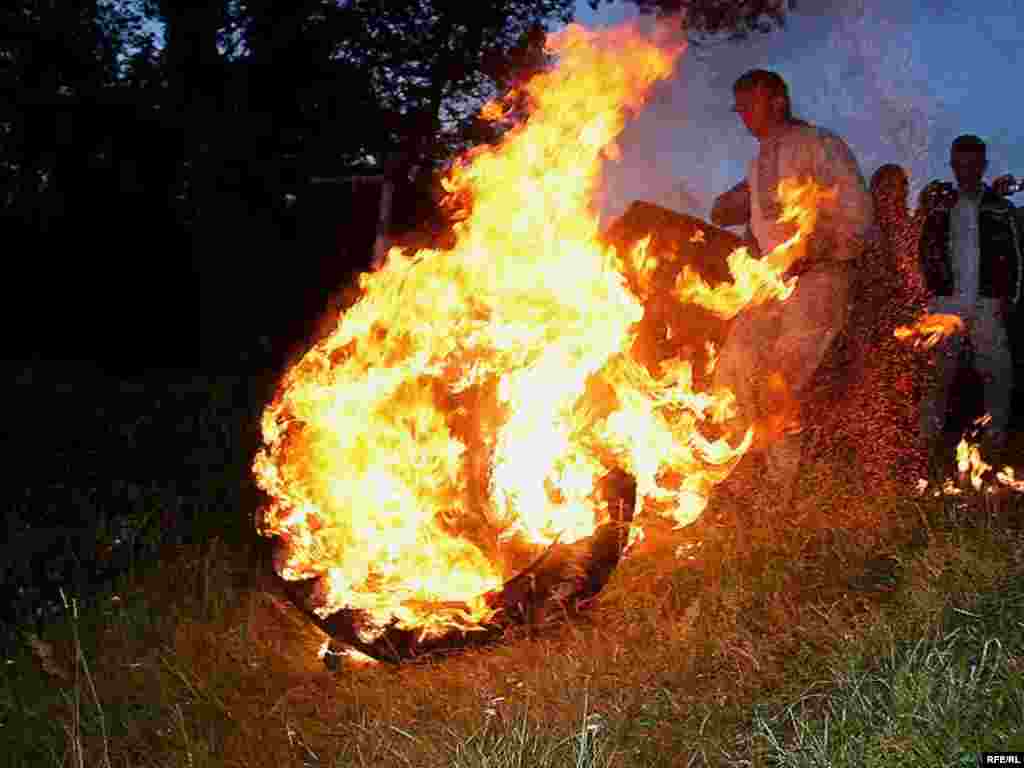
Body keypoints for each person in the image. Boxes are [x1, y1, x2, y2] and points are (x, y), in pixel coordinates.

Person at [709, 69, 874, 511]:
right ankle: (739, 479)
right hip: (773, 285)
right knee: (732, 370)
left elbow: (858, 213)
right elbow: (752, 210)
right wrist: (728, 207)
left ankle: (781, 493)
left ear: (778, 100)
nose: (743, 114)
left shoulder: (819, 145)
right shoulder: (759, 159)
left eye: (750, 103)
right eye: (738, 107)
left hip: (820, 278)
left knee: (778, 381)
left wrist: (816, 247)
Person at [918, 134, 1023, 458]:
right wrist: (929, 294)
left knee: (997, 375)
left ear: (983, 166)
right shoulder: (939, 205)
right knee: (936, 375)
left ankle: (993, 445)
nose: (966, 171)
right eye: (960, 164)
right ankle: (925, 445)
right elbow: (923, 249)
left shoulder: (999, 207)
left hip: (987, 302)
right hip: (945, 301)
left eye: (973, 164)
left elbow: (1016, 255)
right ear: (952, 165)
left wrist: (1010, 299)